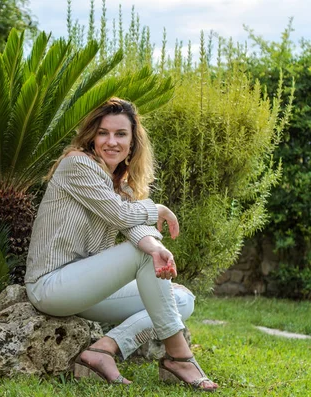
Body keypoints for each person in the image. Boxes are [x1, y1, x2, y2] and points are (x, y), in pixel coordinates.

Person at [25, 98, 218, 391]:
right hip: (51, 286)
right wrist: (158, 211)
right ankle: (179, 358)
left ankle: (104, 348)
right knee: (141, 256)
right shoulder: (77, 165)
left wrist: (156, 247)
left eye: (120, 134)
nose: (111, 141)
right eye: (103, 133)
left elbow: (132, 225)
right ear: (92, 136)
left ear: (132, 141)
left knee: (182, 299)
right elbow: (119, 214)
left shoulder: (119, 184)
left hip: (87, 291)